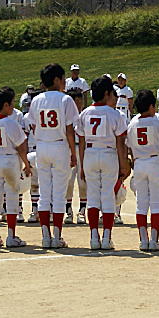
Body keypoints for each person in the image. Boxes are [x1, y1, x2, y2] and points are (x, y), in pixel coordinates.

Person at [29, 63, 80, 248]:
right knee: (58, 194)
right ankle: (57, 237)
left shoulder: (36, 100)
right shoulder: (66, 99)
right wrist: (73, 152)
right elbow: (69, 129)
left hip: (42, 145)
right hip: (59, 146)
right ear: (57, 80)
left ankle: (45, 236)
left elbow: (33, 125)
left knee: (44, 193)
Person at [76, 76, 130, 250]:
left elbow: (81, 141)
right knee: (107, 196)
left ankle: (94, 237)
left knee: (92, 197)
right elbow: (120, 143)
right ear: (107, 93)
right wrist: (123, 164)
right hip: (108, 154)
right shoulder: (115, 114)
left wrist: (82, 164)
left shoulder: (84, 113)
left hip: (90, 154)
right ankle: (106, 237)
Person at [127, 89, 159, 251]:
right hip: (155, 161)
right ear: (152, 106)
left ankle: (143, 240)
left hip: (139, 162)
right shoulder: (158, 122)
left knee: (141, 204)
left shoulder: (132, 123)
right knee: (156, 203)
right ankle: (154, 240)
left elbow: (129, 148)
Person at [0, 87, 31, 248]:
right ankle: (11, 236)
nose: (13, 107)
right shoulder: (11, 122)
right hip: (10, 160)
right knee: (12, 196)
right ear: (5, 105)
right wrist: (26, 164)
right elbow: (21, 146)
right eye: (11, 103)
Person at [64, 89, 89, 225]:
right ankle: (68, 210)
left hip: (82, 148)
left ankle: (82, 211)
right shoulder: (65, 117)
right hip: (69, 149)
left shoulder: (84, 116)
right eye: (76, 101)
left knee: (82, 181)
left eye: (80, 101)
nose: (79, 105)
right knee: (68, 181)